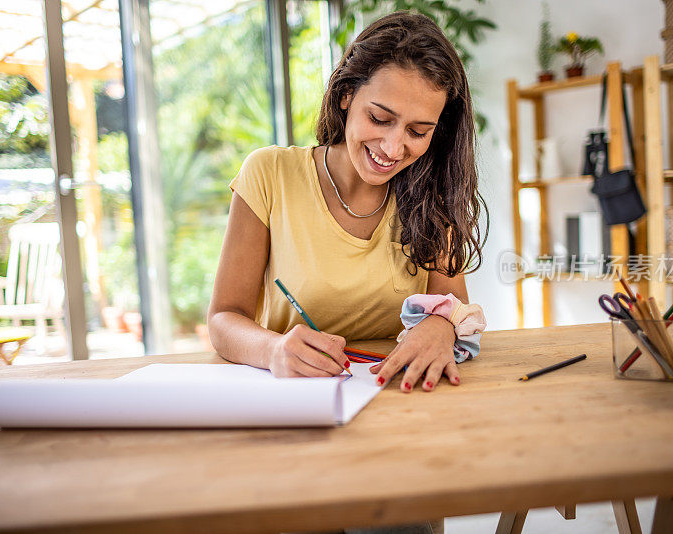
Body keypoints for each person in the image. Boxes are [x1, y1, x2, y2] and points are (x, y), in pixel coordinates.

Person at [207, 11, 487, 395]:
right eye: (379, 118)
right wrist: (273, 349)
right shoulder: (269, 173)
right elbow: (224, 318)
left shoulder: (432, 194)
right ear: (346, 94)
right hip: (291, 397)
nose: (393, 148)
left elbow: (453, 305)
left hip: (400, 397)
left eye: (418, 131)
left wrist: (441, 326)